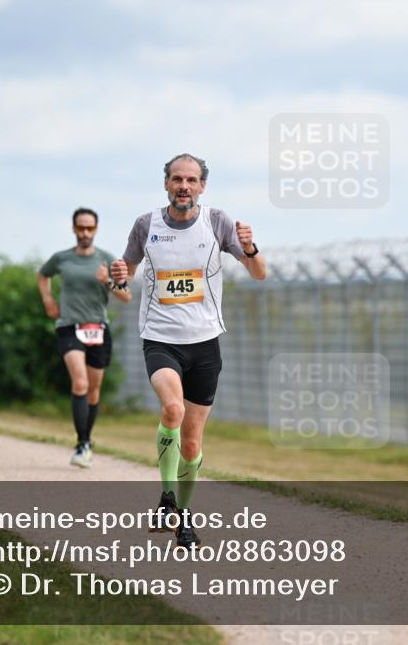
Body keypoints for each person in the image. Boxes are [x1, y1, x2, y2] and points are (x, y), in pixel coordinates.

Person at [111, 153, 266, 547]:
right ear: (166, 183)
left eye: (192, 180)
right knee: (173, 410)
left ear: (202, 186)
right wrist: (117, 281)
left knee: (193, 440)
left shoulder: (218, 222)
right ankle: (166, 497)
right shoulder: (146, 225)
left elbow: (259, 273)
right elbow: (125, 279)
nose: (184, 186)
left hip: (205, 343)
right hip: (161, 339)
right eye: (177, 179)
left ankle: (183, 515)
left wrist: (249, 249)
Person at [38, 208, 132, 468]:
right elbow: (42, 274)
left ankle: (87, 441)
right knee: (79, 383)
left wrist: (107, 282)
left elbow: (126, 295)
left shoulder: (106, 260)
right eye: (81, 228)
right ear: (74, 229)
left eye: (90, 228)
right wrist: (48, 299)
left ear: (96, 230)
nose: (85, 233)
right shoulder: (62, 258)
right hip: (69, 326)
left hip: (99, 328)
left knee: (93, 391)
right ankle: (81, 444)